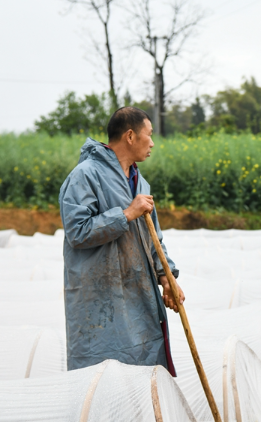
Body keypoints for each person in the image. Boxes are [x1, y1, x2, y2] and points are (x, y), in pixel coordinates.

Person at [59, 106, 184, 374]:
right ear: (130, 136)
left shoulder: (140, 183)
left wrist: (166, 278)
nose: (152, 143)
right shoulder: (85, 176)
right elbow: (77, 232)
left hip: (139, 295)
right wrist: (127, 214)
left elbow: (154, 239)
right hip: (101, 300)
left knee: (142, 372)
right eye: (148, 135)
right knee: (103, 377)